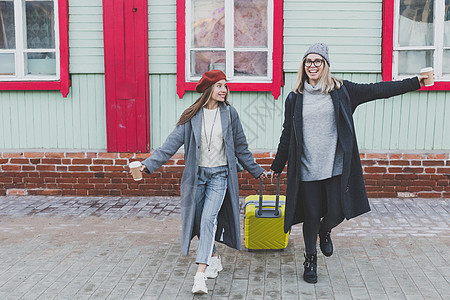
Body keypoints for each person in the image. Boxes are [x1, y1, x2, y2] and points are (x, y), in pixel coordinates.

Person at [269, 43, 429, 284]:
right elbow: (287, 133)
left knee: (337, 211)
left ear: (325, 65)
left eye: (317, 61)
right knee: (311, 215)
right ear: (303, 66)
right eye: (308, 61)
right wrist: (277, 165)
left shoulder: (342, 91)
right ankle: (310, 259)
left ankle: (326, 230)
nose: (312, 65)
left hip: (335, 167)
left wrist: (416, 82)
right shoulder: (295, 98)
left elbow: (379, 89)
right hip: (307, 168)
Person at [135, 70, 267, 294]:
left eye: (225, 86)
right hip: (197, 178)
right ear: (208, 90)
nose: (224, 90)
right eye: (219, 86)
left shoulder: (230, 114)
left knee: (208, 220)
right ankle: (213, 257)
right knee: (196, 222)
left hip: (220, 176)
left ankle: (199, 276)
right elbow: (170, 144)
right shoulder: (192, 115)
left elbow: (241, 148)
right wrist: (147, 164)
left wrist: (257, 171)